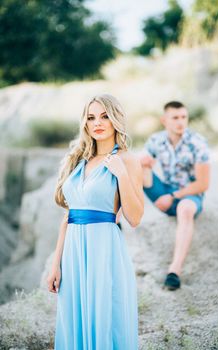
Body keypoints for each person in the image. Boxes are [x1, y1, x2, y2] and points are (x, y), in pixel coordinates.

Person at [47, 93, 144, 349]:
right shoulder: (78, 160)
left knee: (104, 318)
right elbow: (68, 217)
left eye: (104, 116)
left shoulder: (128, 161)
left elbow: (134, 218)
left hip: (104, 250)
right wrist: (56, 264)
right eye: (91, 117)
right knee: (74, 321)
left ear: (115, 120)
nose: (97, 122)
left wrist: (122, 175)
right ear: (85, 123)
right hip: (74, 253)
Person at [140, 101, 210, 291]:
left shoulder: (198, 143)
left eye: (184, 117)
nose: (180, 122)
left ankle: (174, 271)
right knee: (137, 167)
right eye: (175, 118)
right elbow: (146, 164)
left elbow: (203, 184)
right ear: (165, 120)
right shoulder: (156, 140)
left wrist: (172, 196)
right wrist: (145, 164)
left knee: (184, 208)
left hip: (190, 195)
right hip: (165, 192)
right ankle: (119, 218)